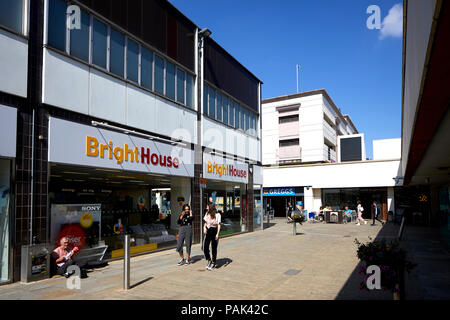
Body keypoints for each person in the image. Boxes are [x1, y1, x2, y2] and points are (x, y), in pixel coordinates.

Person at [203, 204, 221, 270]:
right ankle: (209, 260)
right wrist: (204, 228)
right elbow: (205, 223)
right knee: (205, 247)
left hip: (214, 230)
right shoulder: (207, 214)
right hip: (208, 230)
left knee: (214, 248)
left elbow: (219, 225)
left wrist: (217, 234)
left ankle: (213, 262)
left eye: (208, 209)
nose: (207, 210)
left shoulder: (218, 215)